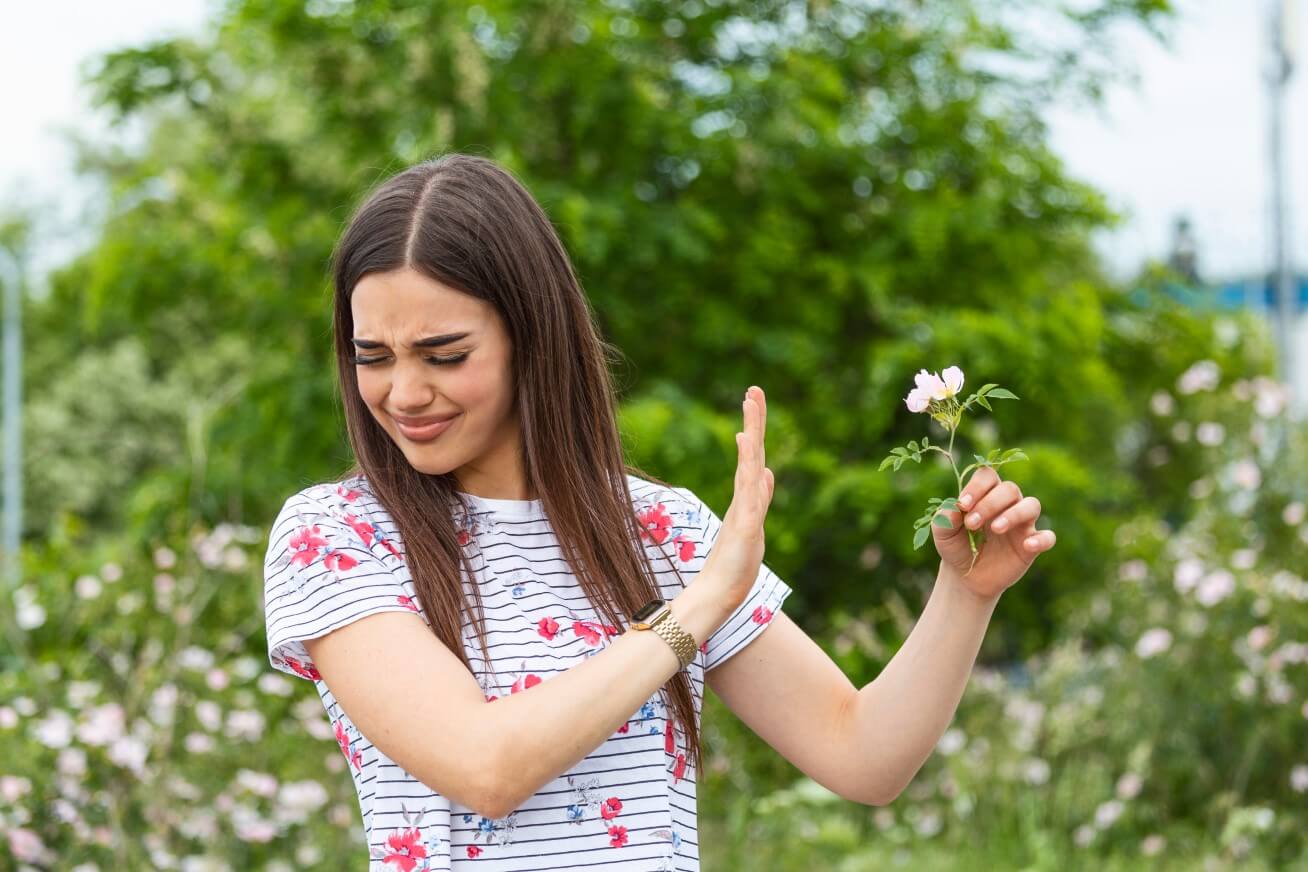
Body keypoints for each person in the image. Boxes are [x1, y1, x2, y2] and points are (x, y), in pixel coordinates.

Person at [261, 153, 1056, 870]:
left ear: (530, 338)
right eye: (373, 357)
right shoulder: (336, 536)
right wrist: (698, 606)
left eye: (445, 356)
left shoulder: (662, 530)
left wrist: (966, 594)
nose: (403, 393)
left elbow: (864, 757)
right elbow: (486, 768)